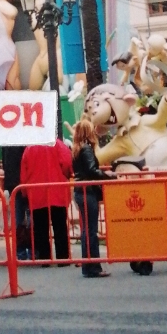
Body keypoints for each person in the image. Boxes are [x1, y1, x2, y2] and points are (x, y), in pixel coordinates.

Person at [20, 137, 74, 263]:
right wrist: (65, 175)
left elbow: (24, 172)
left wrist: (24, 192)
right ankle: (63, 258)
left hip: (37, 193)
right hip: (58, 190)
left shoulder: (29, 148)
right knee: (60, 226)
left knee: (40, 228)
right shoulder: (58, 144)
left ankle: (45, 258)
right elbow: (67, 162)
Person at [70, 118, 110, 278]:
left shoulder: (76, 149)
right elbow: (92, 170)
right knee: (91, 229)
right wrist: (109, 177)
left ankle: (89, 265)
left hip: (80, 190)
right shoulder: (86, 149)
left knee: (87, 229)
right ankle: (93, 265)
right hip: (88, 191)